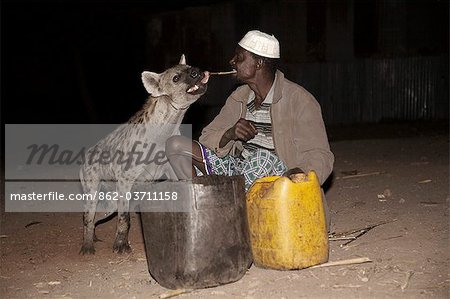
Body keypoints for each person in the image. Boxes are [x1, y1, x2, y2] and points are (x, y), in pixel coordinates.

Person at [165, 30, 334, 226]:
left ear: (258, 64)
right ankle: (200, 215)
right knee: (175, 144)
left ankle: (232, 218)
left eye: (239, 57)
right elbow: (207, 139)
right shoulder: (239, 98)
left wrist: (296, 175)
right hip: (239, 175)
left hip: (277, 184)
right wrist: (230, 134)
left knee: (262, 158)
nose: (232, 61)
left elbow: (321, 156)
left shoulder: (300, 100)